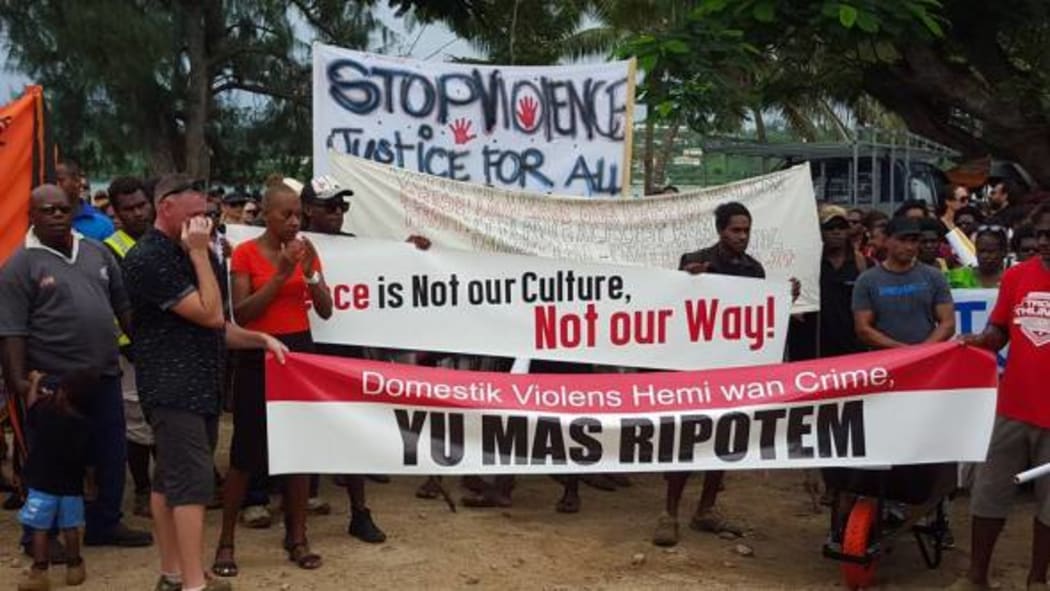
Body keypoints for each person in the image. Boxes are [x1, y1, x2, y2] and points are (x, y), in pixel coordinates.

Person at [122, 173, 287, 591]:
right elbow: (210, 314)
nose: (203, 223)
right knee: (192, 487)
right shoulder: (148, 257)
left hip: (203, 385)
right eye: (194, 215)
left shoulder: (199, 253)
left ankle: (174, 573)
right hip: (172, 388)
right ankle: (194, 583)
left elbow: (218, 327)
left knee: (169, 481)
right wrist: (199, 253)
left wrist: (258, 339)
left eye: (207, 215)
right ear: (166, 208)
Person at [0, 184, 152, 555]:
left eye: (62, 209)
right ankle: (39, 537)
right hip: (52, 382)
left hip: (104, 374)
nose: (56, 215)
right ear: (31, 216)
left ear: (73, 212)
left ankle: (104, 523)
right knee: (52, 462)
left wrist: (148, 349)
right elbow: (12, 330)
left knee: (111, 453)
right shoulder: (20, 264)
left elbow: (123, 307)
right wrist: (18, 381)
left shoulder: (96, 251)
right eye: (47, 210)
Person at [653, 201, 799, 547]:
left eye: (746, 230)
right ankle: (669, 513)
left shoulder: (753, 269)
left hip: (733, 368)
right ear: (721, 231)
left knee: (724, 437)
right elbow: (671, 304)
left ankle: (706, 508)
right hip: (695, 366)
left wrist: (784, 300)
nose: (742, 236)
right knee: (687, 438)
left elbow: (759, 316)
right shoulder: (695, 261)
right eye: (735, 230)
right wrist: (687, 280)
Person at [212, 181, 333, 577]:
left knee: (299, 450)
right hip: (257, 354)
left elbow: (326, 310)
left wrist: (310, 274)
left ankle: (297, 537)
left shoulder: (305, 250)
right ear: (266, 214)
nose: (295, 221)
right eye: (287, 214)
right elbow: (242, 313)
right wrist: (281, 275)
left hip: (298, 354)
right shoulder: (246, 254)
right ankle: (226, 542)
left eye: (298, 214)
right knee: (245, 453)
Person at [953, 202, 1050, 590]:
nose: (1044, 242)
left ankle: (1037, 579)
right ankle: (976, 577)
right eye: (1041, 234)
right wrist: (976, 342)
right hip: (1012, 407)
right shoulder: (1016, 277)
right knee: (988, 492)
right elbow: (999, 332)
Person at [103, 176, 156, 518]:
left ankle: (168, 486)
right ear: (116, 213)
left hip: (167, 347)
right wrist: (128, 344)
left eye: (141, 205)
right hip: (130, 350)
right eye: (128, 209)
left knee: (166, 417)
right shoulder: (109, 249)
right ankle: (142, 489)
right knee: (136, 423)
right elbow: (111, 304)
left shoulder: (163, 239)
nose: (137, 213)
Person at [16, 371, 94, 591]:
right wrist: (91, 484)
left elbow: (30, 408)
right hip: (71, 487)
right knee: (71, 528)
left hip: (41, 485)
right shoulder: (84, 424)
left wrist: (35, 383)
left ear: (63, 392)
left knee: (40, 529)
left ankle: (40, 571)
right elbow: (90, 463)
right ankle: (74, 567)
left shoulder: (45, 412)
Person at [853, 216, 956, 349]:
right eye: (902, 240)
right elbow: (863, 328)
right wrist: (903, 351)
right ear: (886, 241)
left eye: (914, 241)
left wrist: (922, 350)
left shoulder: (934, 276)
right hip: (887, 358)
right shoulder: (867, 280)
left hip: (926, 356)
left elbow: (948, 323)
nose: (909, 247)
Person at [817, 205, 870, 358]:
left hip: (852, 348)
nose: (836, 232)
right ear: (821, 231)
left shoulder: (861, 262)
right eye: (830, 227)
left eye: (841, 227)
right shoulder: (811, 263)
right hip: (817, 348)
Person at [56, 161, 115, 241]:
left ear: (77, 182)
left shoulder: (103, 225)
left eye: (60, 180)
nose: (54, 185)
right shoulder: (42, 222)